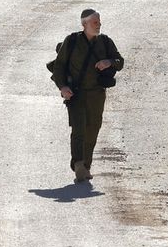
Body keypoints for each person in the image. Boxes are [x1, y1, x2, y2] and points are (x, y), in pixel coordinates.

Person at [47, 9, 124, 183]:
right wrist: (62, 87)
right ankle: (79, 165)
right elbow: (59, 66)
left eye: (99, 22)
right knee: (78, 129)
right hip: (76, 93)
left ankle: (86, 165)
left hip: (97, 94)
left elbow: (120, 62)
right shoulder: (72, 41)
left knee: (93, 129)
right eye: (95, 22)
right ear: (84, 25)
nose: (99, 25)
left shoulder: (105, 42)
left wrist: (109, 62)